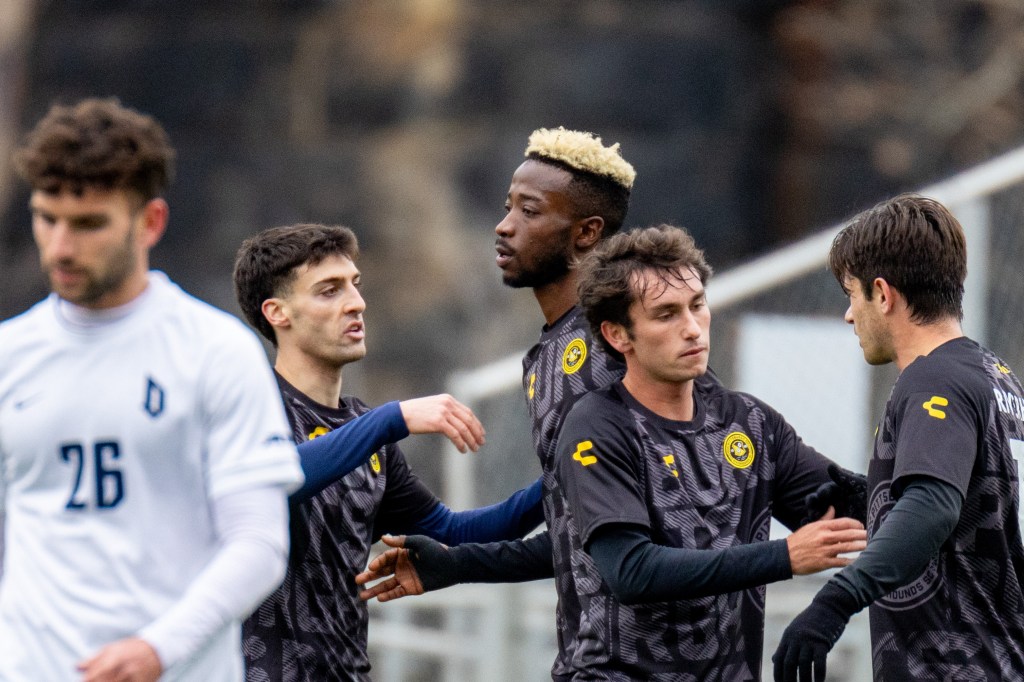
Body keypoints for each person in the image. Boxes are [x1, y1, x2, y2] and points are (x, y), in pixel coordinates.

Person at [359, 224, 869, 679]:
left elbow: (858, 505)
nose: (692, 327)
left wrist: (927, 470)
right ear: (617, 334)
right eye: (666, 314)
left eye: (697, 305)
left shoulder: (750, 424)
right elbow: (629, 569)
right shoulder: (596, 427)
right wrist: (785, 556)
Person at [0, 98, 305, 681]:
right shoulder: (9, 355)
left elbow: (259, 543)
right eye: (46, 218)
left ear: (150, 223)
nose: (60, 246)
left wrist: (157, 648)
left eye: (89, 223)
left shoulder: (214, 351)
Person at [231, 223, 545, 680]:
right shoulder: (245, 406)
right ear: (278, 313)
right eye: (328, 291)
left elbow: (453, 532)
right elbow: (275, 482)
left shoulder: (368, 435)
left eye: (354, 285)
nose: (356, 302)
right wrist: (391, 419)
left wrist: (560, 478)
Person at [773, 194, 1024, 681]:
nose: (850, 316)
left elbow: (933, 505)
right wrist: (869, 499)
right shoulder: (998, 379)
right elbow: (975, 513)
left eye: (851, 294)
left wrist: (834, 602)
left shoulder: (933, 381)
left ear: (883, 295)